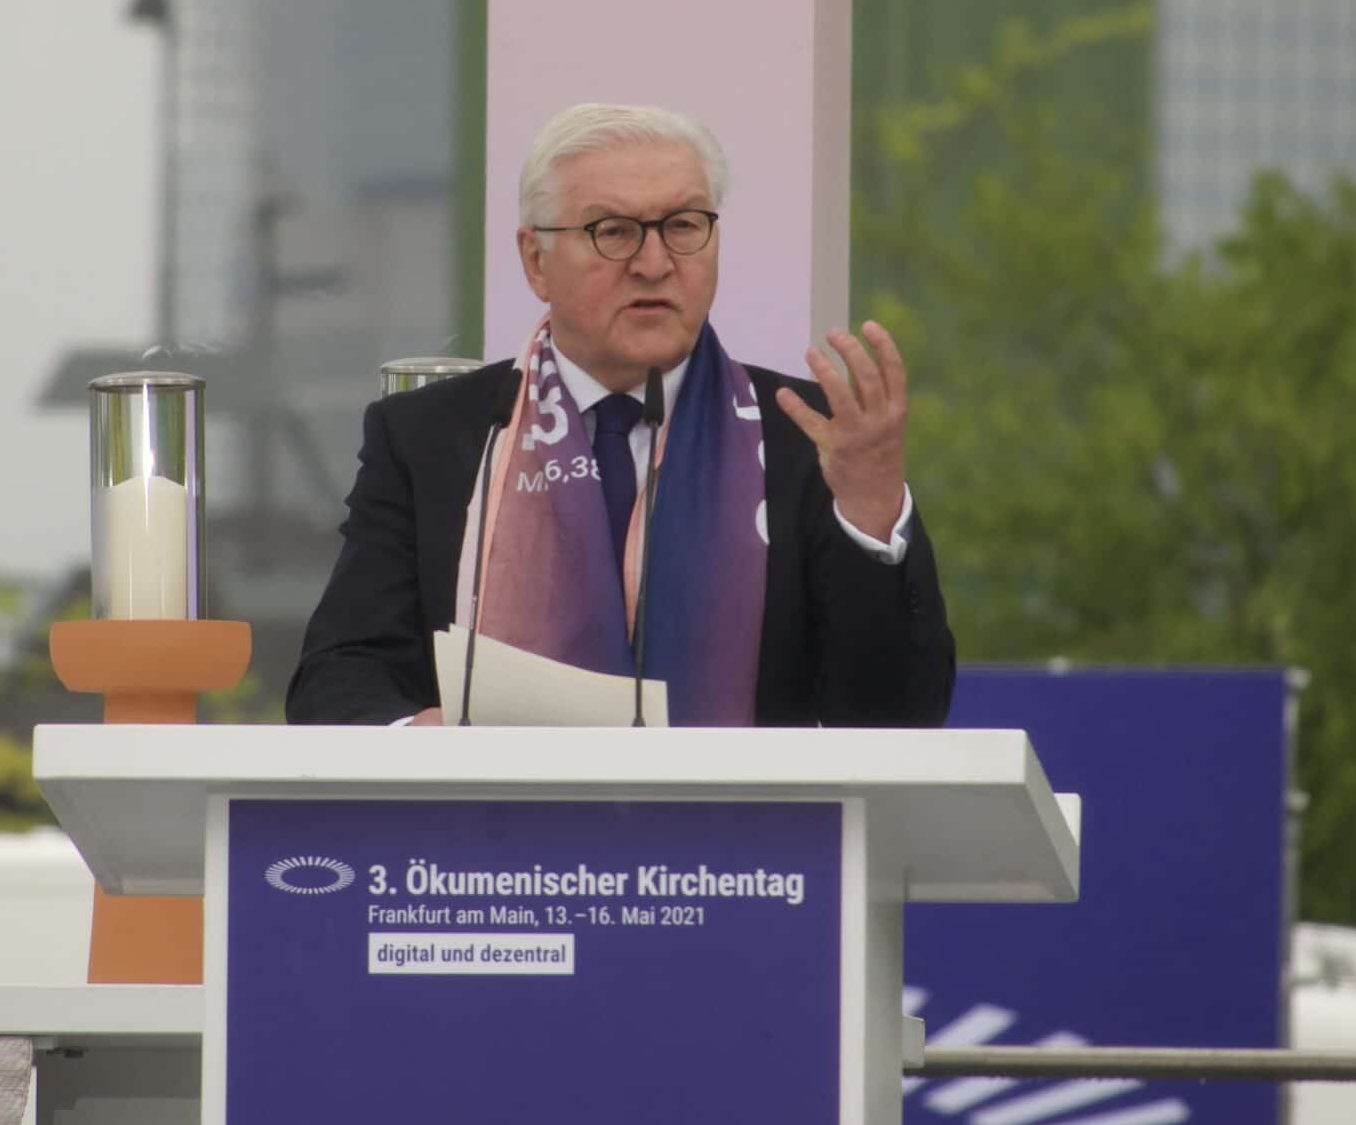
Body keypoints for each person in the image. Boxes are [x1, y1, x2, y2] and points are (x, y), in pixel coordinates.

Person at [285, 102, 954, 728]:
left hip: (745, 850)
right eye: (614, 231)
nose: (655, 263)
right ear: (535, 259)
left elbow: (897, 718)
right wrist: (419, 738)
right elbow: (338, 677)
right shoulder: (434, 436)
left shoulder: (807, 435)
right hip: (484, 846)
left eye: (685, 226)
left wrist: (870, 518)